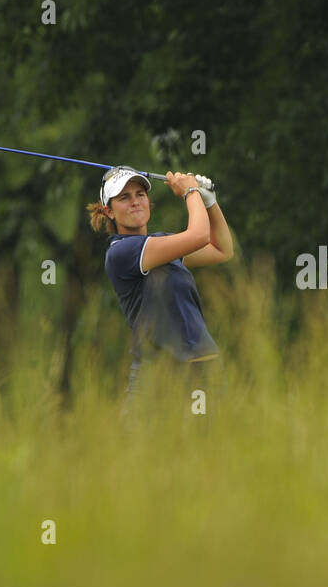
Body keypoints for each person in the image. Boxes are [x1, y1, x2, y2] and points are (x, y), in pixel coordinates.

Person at [85, 166, 235, 416]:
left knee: (209, 453)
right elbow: (198, 235)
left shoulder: (162, 244)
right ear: (109, 211)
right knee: (137, 454)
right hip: (157, 376)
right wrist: (190, 192)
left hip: (204, 369)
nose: (135, 202)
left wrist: (210, 202)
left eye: (140, 194)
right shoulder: (122, 252)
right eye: (124, 197)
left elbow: (222, 250)